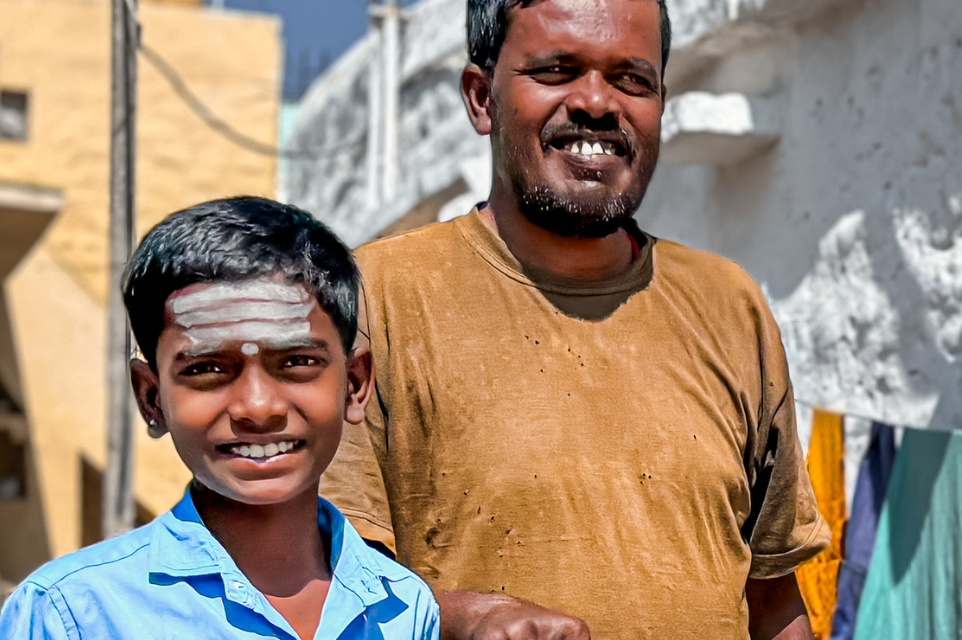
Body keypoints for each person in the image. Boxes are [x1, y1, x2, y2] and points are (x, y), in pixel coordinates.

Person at [318, 1, 827, 639]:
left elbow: (774, 601)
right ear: (482, 99)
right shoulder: (375, 301)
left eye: (632, 79)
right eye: (558, 70)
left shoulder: (730, 305)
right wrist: (463, 621)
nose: (597, 101)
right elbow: (330, 598)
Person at [0, 197, 439, 640]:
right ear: (152, 399)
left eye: (298, 361)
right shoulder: (74, 613)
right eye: (207, 369)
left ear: (355, 384)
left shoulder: (403, 608)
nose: (258, 408)